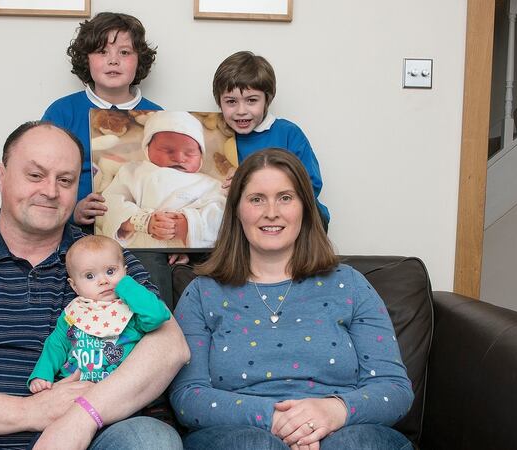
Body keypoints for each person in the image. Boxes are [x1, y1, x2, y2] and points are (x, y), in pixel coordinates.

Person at [0, 121, 188, 450]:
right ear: (2, 175)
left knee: (150, 440)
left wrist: (81, 418)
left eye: (65, 180)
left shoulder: (107, 261)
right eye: (35, 175)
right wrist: (28, 411)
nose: (51, 191)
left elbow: (171, 347)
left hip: (90, 436)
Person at [168, 149, 413, 450]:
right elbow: (188, 397)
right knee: (253, 445)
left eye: (285, 197)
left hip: (343, 432)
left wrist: (333, 412)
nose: (272, 212)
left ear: (305, 209)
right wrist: (272, 419)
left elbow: (394, 388)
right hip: (238, 436)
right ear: (237, 210)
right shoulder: (202, 293)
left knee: (354, 444)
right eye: (257, 199)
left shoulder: (348, 284)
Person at [42, 12, 185, 304]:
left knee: (152, 296)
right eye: (102, 51)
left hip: (140, 236)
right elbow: (43, 177)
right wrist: (73, 212)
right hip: (76, 232)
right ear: (86, 60)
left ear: (138, 61)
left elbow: (174, 183)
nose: (113, 60)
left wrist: (185, 240)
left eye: (124, 52)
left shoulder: (159, 117)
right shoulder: (62, 112)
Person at [28, 235, 170, 389]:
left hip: (121, 391)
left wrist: (127, 285)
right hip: (74, 389)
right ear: (74, 286)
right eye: (90, 276)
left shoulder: (132, 309)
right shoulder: (73, 313)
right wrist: (42, 374)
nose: (103, 281)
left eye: (110, 271)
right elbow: (56, 346)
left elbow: (157, 316)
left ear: (125, 272)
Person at [213, 51, 330, 230]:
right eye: (231, 102)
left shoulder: (288, 133)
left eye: (251, 100)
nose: (241, 110)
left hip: (289, 217)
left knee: (312, 213)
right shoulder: (215, 135)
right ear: (219, 102)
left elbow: (311, 185)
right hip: (241, 221)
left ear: (267, 99)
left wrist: (247, 181)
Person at [101, 111, 226, 250]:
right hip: (140, 250)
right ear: (147, 149)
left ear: (201, 156)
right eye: (168, 150)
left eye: (189, 152)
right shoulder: (134, 172)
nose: (179, 158)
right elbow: (111, 202)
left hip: (189, 254)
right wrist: (141, 221)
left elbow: (223, 215)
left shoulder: (210, 185)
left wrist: (190, 225)